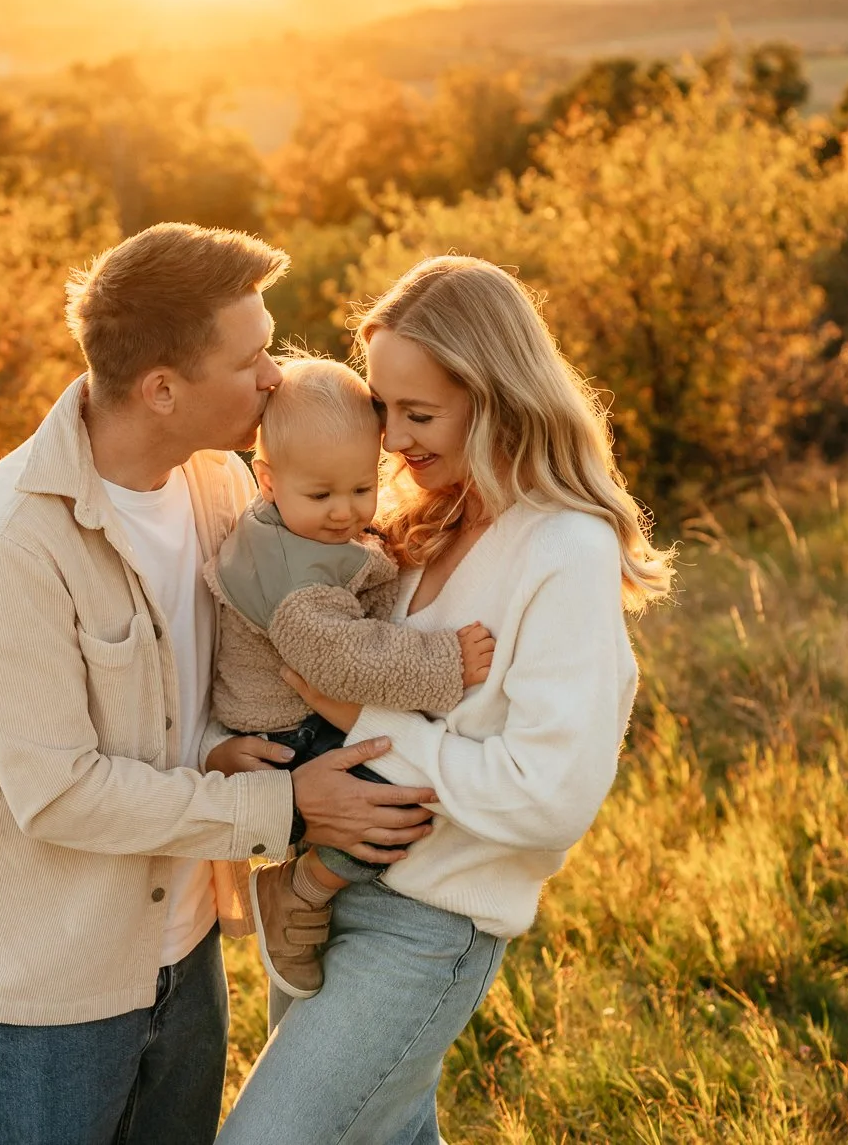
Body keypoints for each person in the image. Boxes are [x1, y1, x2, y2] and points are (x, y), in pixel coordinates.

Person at [0, 223, 441, 1145]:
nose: (276, 377)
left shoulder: (220, 483)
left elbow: (209, 677)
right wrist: (282, 803)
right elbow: (58, 792)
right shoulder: (11, 538)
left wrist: (221, 745)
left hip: (189, 952)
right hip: (52, 989)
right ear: (162, 388)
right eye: (252, 359)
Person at [216, 255, 675, 1145]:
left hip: (425, 920)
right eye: (384, 410)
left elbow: (550, 793)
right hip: (322, 885)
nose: (391, 442)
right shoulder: (420, 517)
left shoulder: (563, 549)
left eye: (419, 414)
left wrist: (362, 725)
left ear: (496, 398)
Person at [199, 355, 496, 1000]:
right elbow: (342, 659)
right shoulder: (290, 579)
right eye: (322, 495)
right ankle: (303, 886)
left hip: (294, 717)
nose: (344, 512)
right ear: (267, 479)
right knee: (395, 796)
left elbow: (356, 560)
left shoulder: (300, 529)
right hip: (286, 731)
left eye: (362, 489)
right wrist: (443, 664)